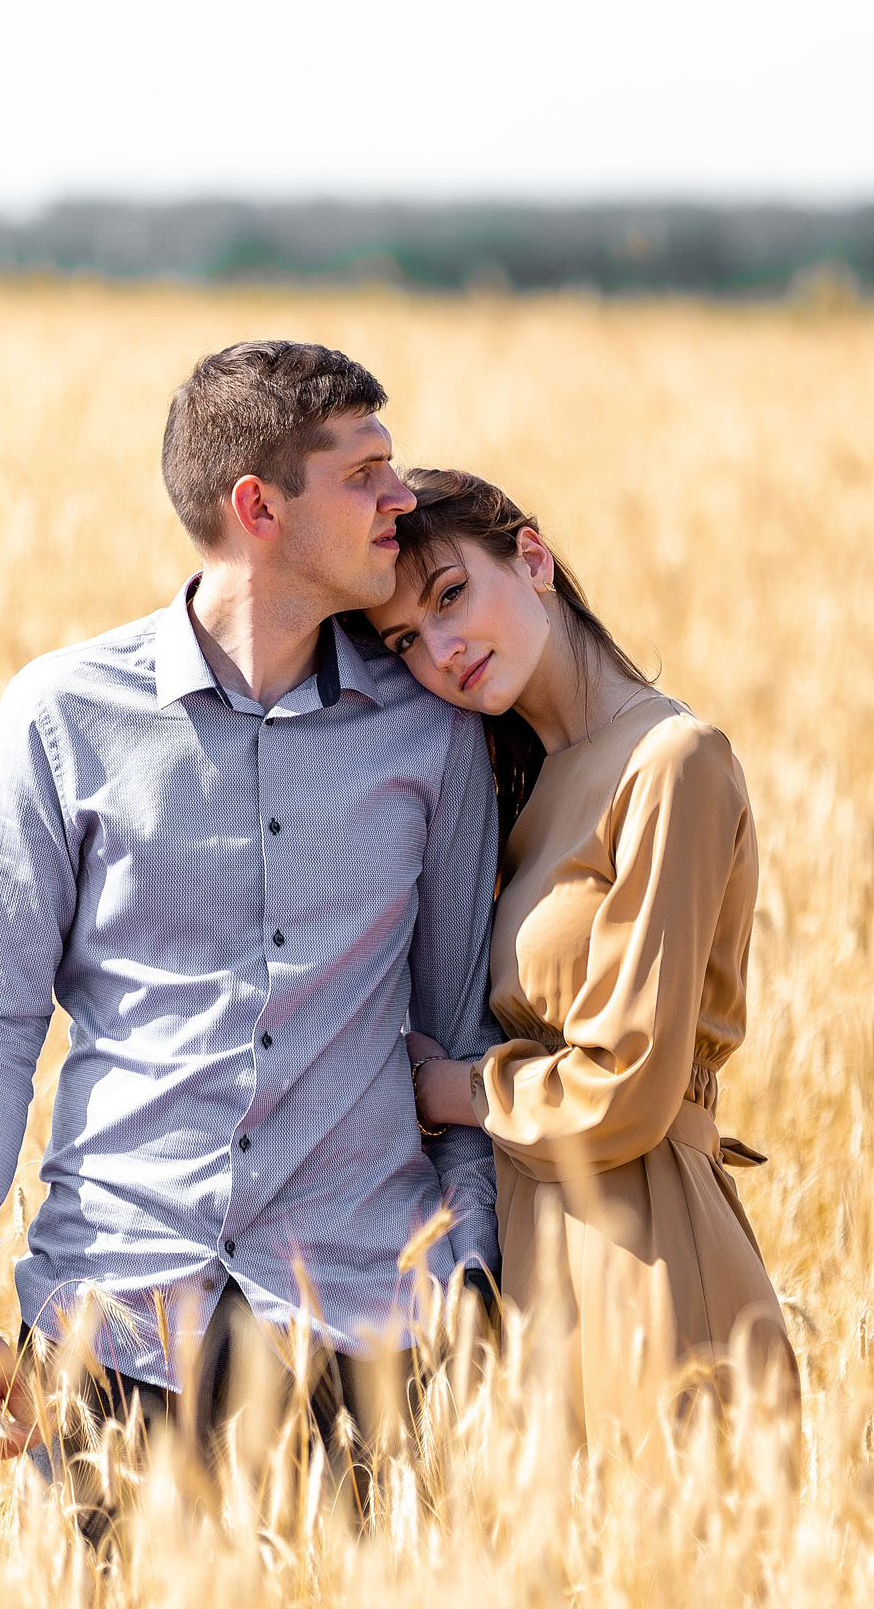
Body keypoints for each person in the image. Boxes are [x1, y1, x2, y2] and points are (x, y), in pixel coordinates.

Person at [0, 343, 503, 1529]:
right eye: (366, 472)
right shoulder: (61, 717)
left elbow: (455, 1027)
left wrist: (470, 1279)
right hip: (110, 1331)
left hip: (363, 1332)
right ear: (258, 507)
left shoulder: (429, 737)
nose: (403, 500)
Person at [366, 469, 796, 1452]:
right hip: (530, 1256)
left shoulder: (670, 762)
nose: (441, 650)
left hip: (637, 1247)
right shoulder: (526, 782)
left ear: (532, 558)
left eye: (449, 596)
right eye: (405, 642)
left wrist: (451, 1090)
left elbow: (629, 1086)